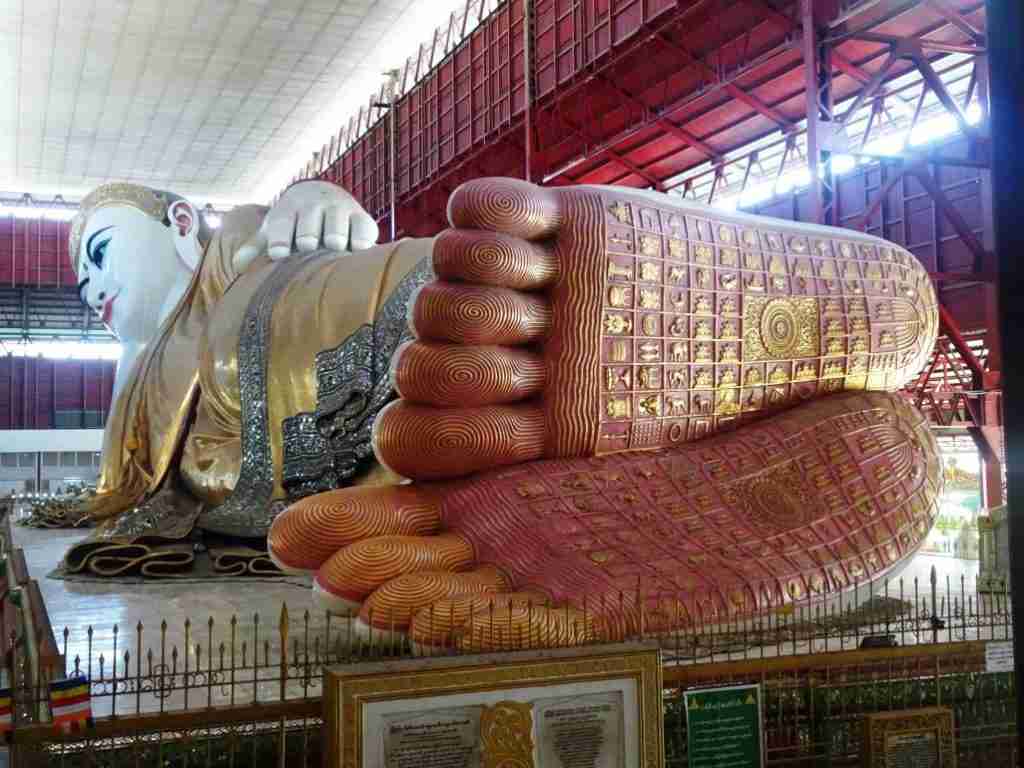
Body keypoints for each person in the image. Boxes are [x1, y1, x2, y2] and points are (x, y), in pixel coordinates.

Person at [68, 176, 942, 647]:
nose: (92, 289)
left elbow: (324, 223)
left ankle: (593, 321)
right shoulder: (138, 397)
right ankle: (630, 454)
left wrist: (317, 198)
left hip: (355, 323)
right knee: (466, 423)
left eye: (101, 255)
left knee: (470, 318)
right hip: (379, 439)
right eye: (79, 284)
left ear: (183, 220)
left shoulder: (241, 241)